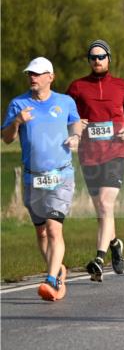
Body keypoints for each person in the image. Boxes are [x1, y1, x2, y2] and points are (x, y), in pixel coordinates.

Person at [2, 57, 82, 301]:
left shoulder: (65, 101)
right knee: (41, 234)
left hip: (61, 174)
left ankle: (50, 280)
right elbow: (6, 138)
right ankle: (58, 270)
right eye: (30, 74)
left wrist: (76, 137)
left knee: (54, 228)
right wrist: (17, 121)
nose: (32, 78)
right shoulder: (18, 103)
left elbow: (76, 122)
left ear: (51, 77)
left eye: (37, 74)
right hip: (32, 178)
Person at [66, 39, 124, 282]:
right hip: (89, 155)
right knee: (101, 209)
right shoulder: (77, 87)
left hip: (115, 152)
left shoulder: (122, 86)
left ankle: (98, 258)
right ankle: (115, 245)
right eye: (93, 57)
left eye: (101, 56)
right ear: (88, 60)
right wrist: (77, 124)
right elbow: (66, 117)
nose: (97, 61)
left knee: (106, 204)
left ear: (109, 58)